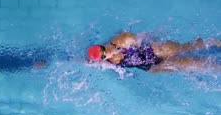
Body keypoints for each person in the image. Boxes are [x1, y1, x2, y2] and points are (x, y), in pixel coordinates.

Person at [87, 32, 220, 73]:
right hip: (151, 66)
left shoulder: (118, 41)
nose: (107, 51)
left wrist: (129, 43)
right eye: (104, 54)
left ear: (102, 45)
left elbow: (135, 38)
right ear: (104, 58)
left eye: (103, 48)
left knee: (182, 48)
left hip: (152, 50)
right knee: (188, 64)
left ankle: (214, 42)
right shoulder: (110, 62)